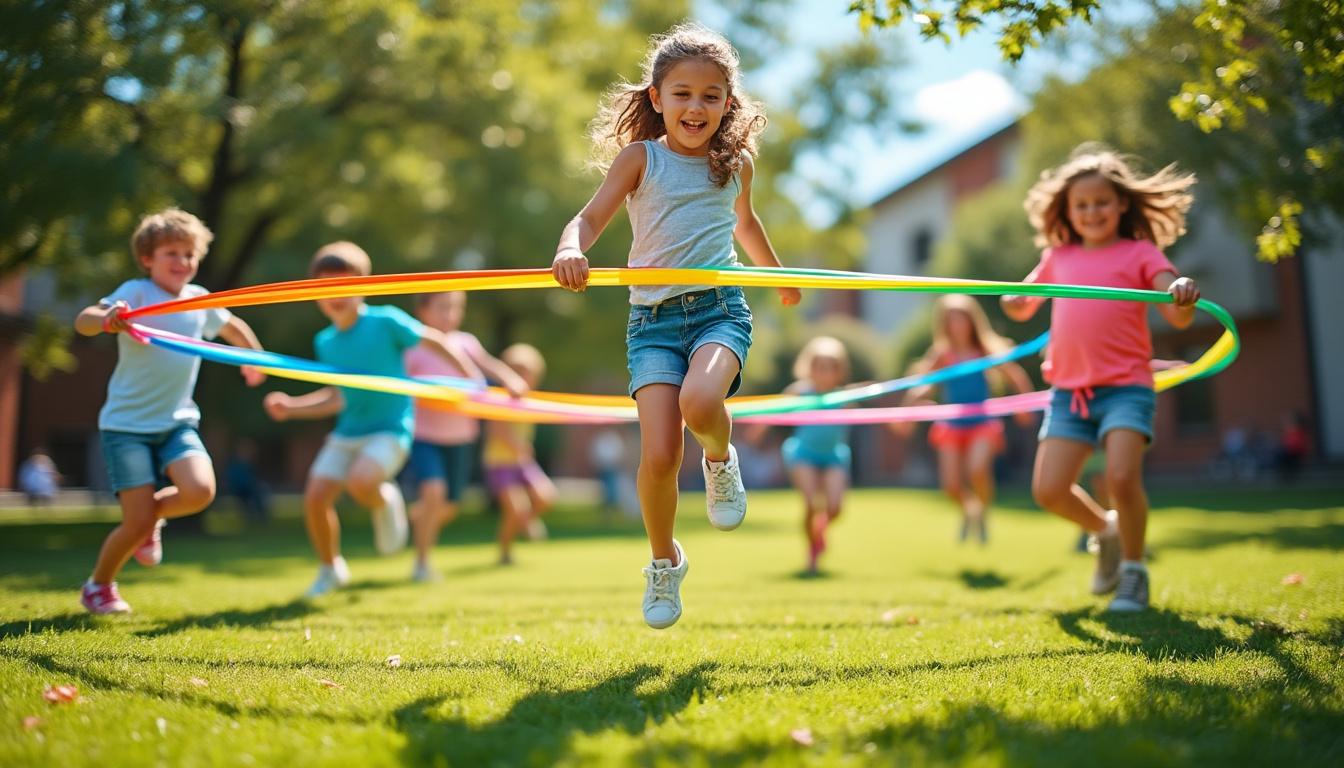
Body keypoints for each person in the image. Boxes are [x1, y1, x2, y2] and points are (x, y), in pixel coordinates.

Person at [551, 23, 801, 628]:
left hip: (719, 309)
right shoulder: (641, 159)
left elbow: (745, 224)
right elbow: (588, 219)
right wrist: (569, 248)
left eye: (711, 95)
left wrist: (778, 275)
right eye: (683, 93)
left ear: (727, 104)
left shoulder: (736, 164)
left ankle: (719, 460)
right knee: (660, 456)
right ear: (657, 98)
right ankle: (665, 562)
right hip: (652, 322)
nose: (697, 106)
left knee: (700, 400)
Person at [1002, 144, 1201, 612]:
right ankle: (1105, 531)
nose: (1092, 212)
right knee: (1049, 491)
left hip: (1126, 387)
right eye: (1082, 205)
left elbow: (1176, 316)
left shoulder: (1140, 252)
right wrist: (1013, 300)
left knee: (1121, 475)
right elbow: (1025, 302)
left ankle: (1133, 572)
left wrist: (1180, 294)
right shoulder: (1059, 256)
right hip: (1069, 392)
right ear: (1067, 211)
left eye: (1102, 203)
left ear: (1122, 205)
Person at [263, 242, 484, 598]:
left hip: (391, 429)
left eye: (345, 286)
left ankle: (385, 498)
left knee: (361, 482)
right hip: (348, 432)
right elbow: (337, 396)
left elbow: (435, 341)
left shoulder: (385, 322)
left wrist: (471, 376)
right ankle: (330, 568)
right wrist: (292, 407)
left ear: (365, 286)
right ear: (314, 293)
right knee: (316, 497)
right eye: (326, 288)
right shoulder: (327, 341)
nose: (336, 296)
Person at [73, 208, 266, 614]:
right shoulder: (137, 293)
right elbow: (84, 320)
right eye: (171, 254)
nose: (183, 262)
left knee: (200, 491)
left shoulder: (199, 300)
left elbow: (232, 327)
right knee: (136, 521)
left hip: (177, 420)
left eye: (189, 254)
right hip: (126, 426)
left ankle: (149, 521)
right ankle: (99, 586)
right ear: (148, 258)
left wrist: (254, 357)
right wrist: (110, 319)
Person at [404, 291, 527, 582]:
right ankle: (422, 563)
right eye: (442, 307)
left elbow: (488, 365)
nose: (450, 314)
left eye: (455, 308)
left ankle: (417, 520)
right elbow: (400, 385)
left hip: (460, 437)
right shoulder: (414, 346)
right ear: (423, 311)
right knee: (433, 492)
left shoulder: (465, 343)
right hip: (425, 436)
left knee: (449, 505)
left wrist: (511, 379)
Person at [893, 296, 1034, 544]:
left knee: (977, 469)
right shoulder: (943, 354)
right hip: (951, 425)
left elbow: (1015, 375)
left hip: (982, 423)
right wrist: (907, 411)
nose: (957, 324)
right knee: (951, 485)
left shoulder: (983, 350)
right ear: (944, 324)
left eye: (961, 318)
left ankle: (982, 510)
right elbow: (924, 384)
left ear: (972, 321)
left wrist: (1025, 405)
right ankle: (971, 510)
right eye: (951, 319)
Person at [757, 337, 853, 575]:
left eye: (831, 367)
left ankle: (820, 529)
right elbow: (774, 410)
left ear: (839, 371)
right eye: (819, 367)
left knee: (835, 507)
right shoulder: (800, 392)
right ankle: (812, 552)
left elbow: (869, 407)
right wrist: (759, 428)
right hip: (803, 455)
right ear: (809, 368)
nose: (824, 373)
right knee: (810, 504)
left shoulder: (843, 398)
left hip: (833, 456)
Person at [482, 344, 557, 565]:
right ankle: (505, 550)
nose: (524, 377)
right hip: (500, 462)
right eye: (518, 371)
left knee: (546, 495)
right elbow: (496, 429)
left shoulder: (530, 399)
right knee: (515, 509)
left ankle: (526, 522)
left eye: (529, 373)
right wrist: (517, 446)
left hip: (522, 461)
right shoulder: (500, 398)